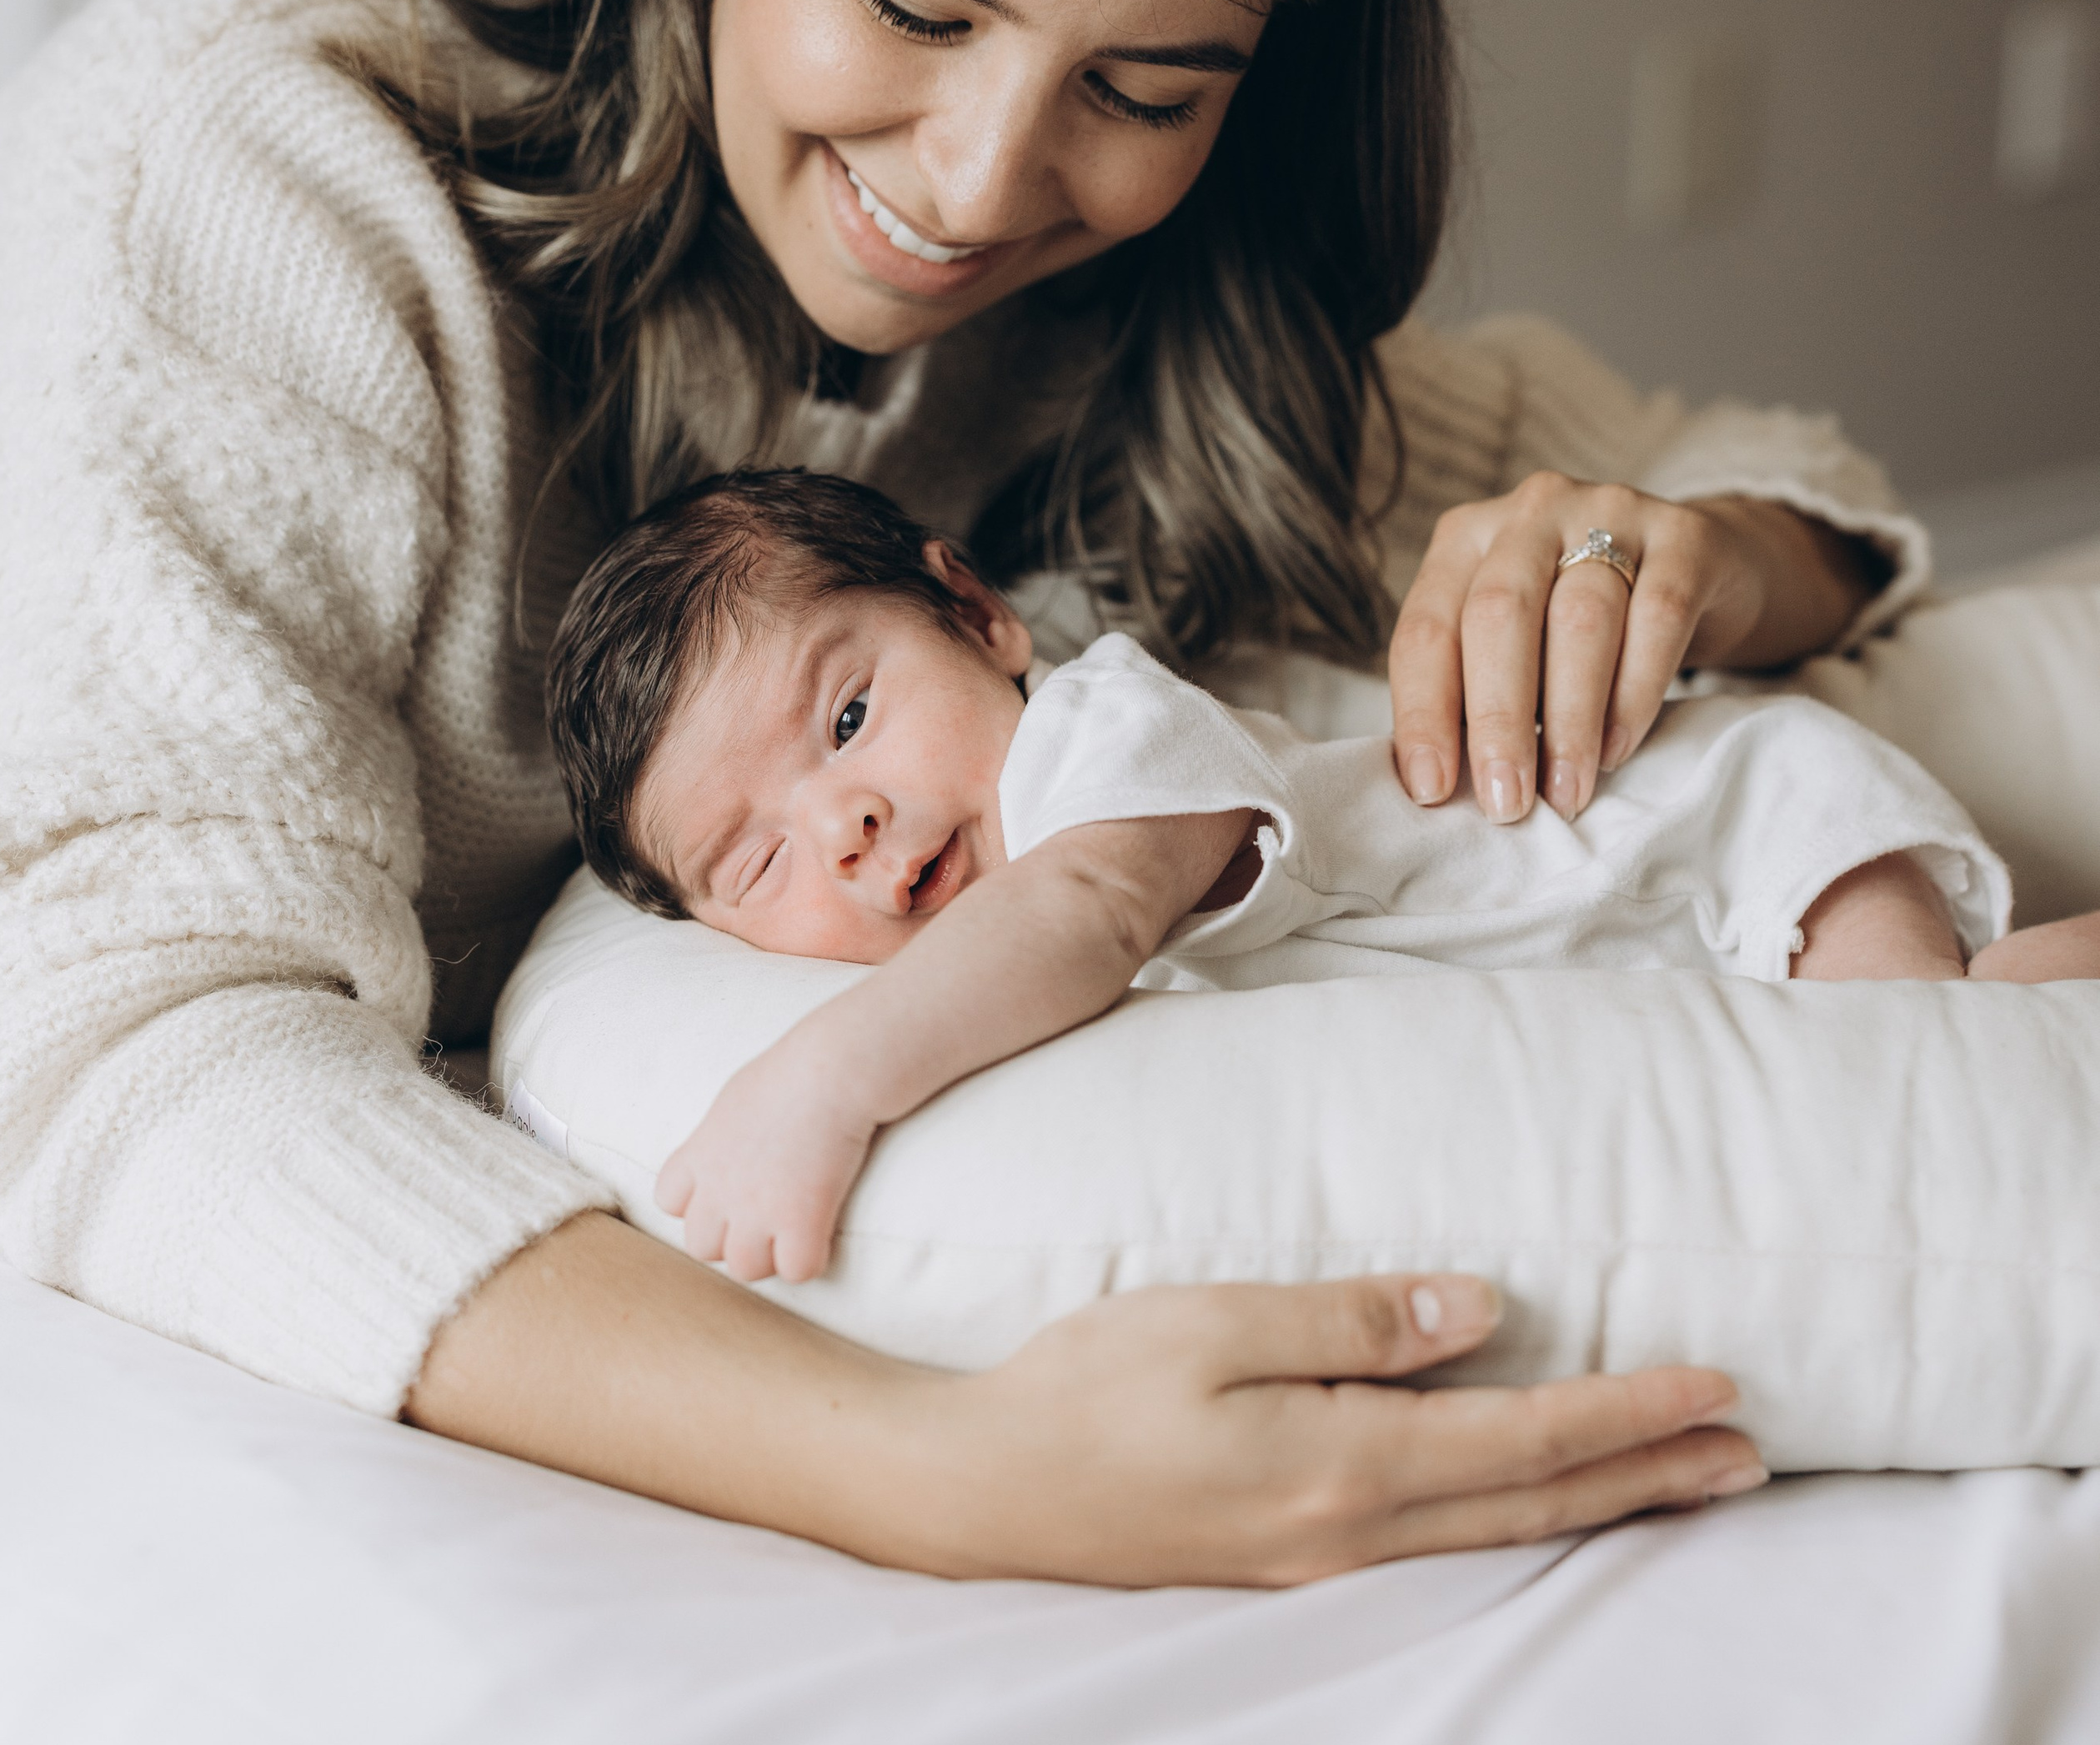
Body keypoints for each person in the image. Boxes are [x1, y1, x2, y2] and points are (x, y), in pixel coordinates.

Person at [0, 0, 1922, 1583]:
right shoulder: (252, 179)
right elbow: (124, 1040)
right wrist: (925, 1468)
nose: (984, 186)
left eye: (1145, 87)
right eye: (912, 4)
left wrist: (1675, 560)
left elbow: (1777, 480)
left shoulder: (1141, 304)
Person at [548, 466, 2100, 1289]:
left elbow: (1081, 916)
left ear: (977, 617)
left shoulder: (1105, 742)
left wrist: (824, 1084)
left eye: (847, 719)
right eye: (762, 858)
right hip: (1674, 946)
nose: (847, 824)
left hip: (1721, 831)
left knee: (1929, 1065)